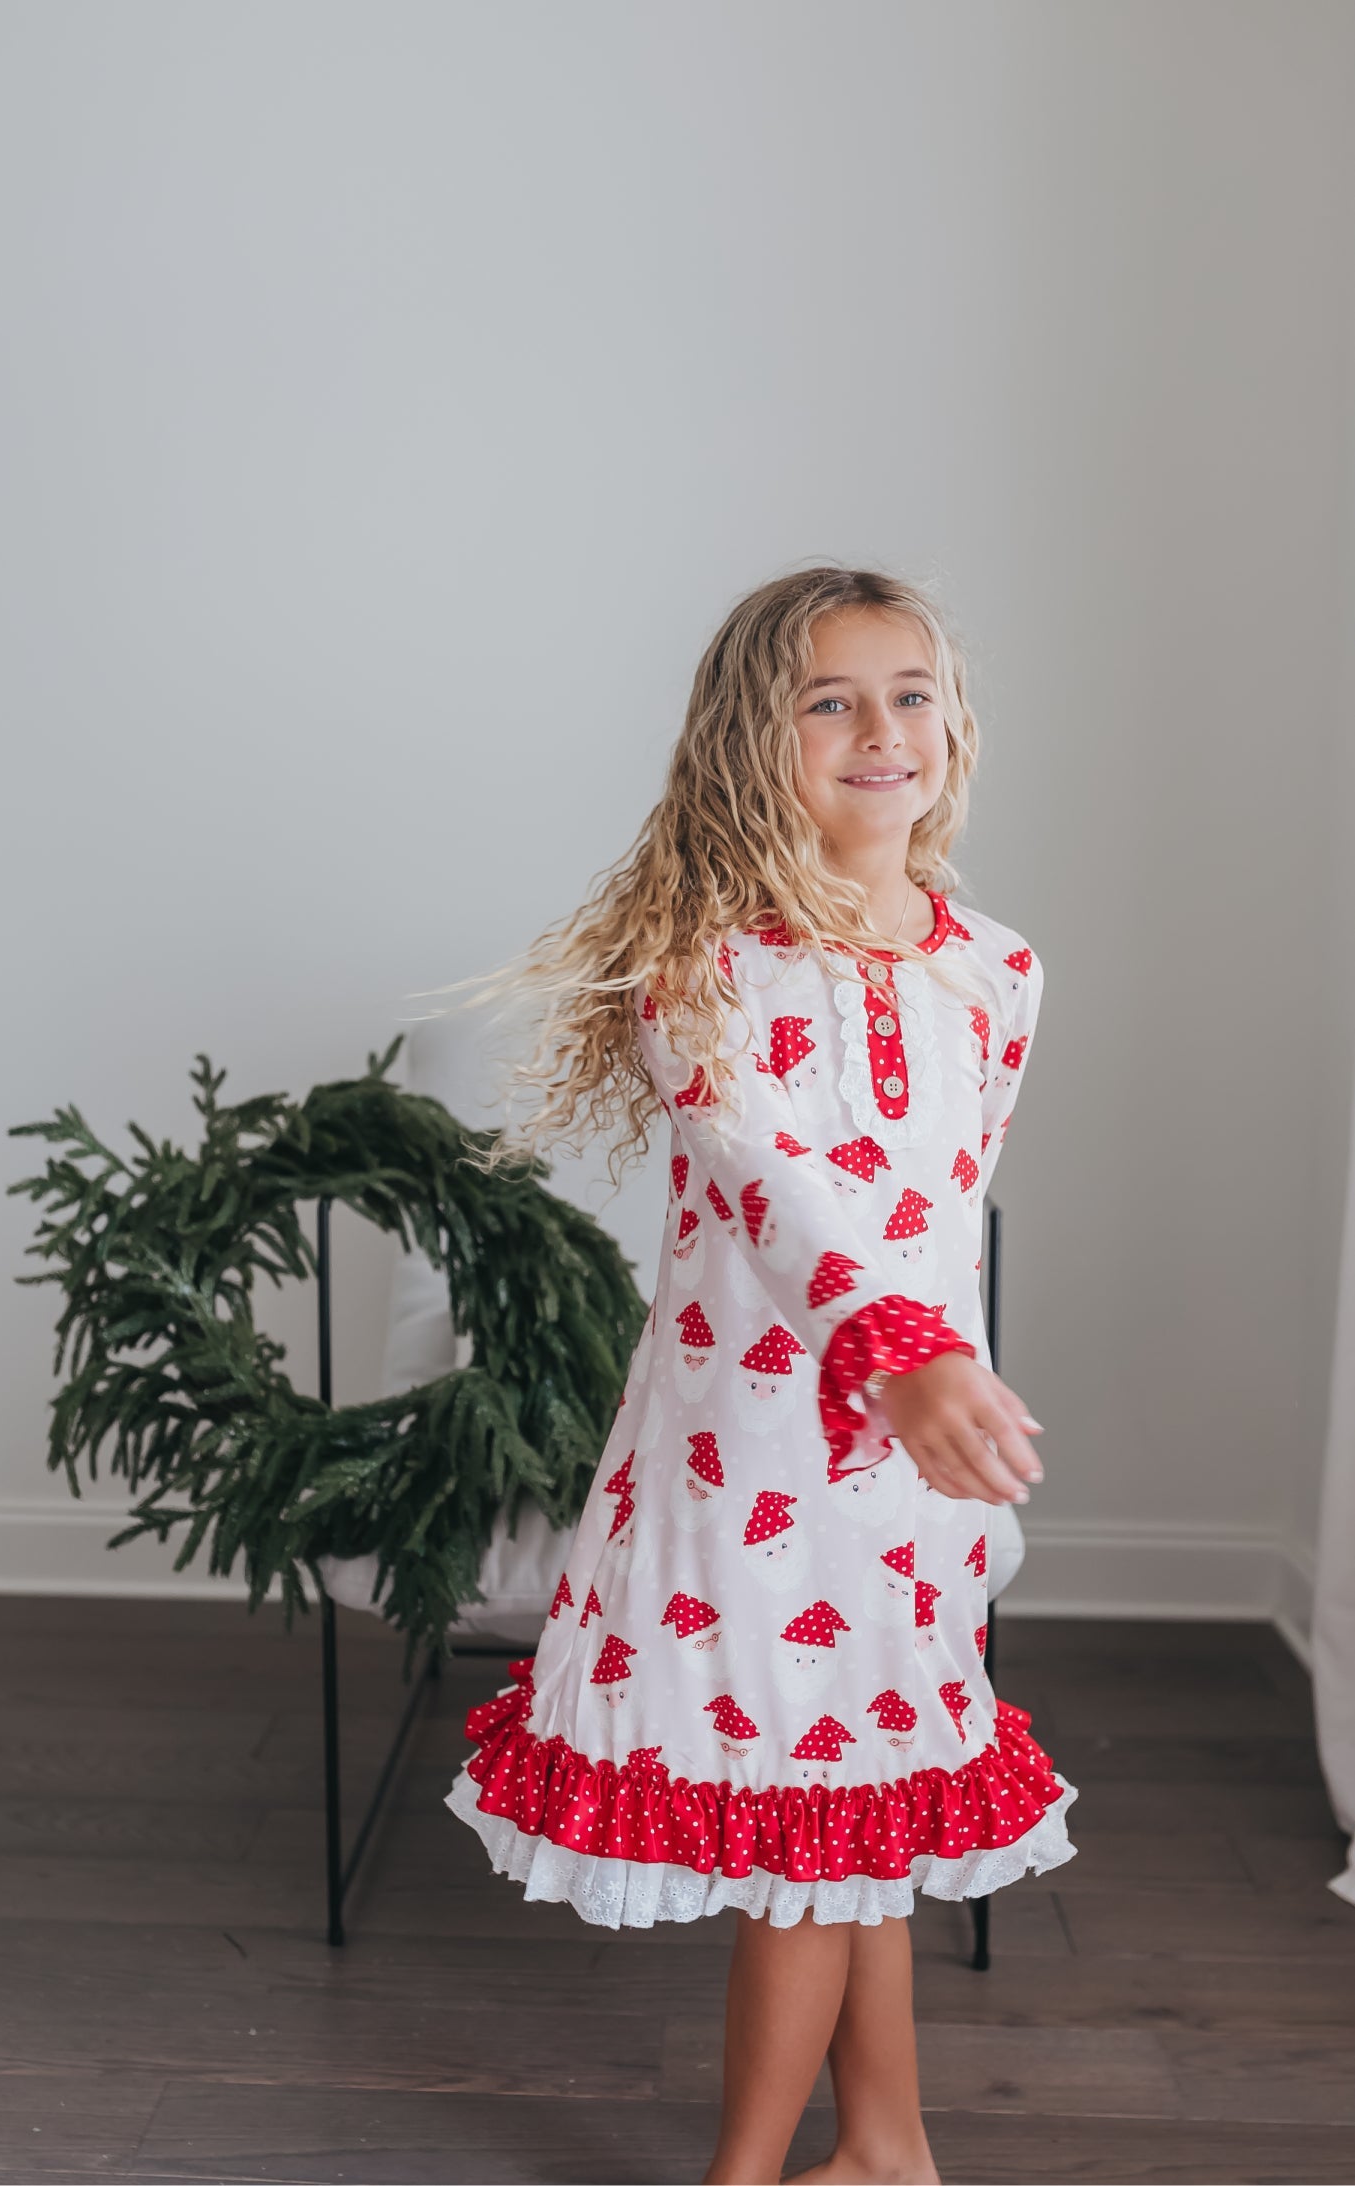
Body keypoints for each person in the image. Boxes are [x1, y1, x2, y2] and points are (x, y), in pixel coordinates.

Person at [442, 565, 1079, 2186]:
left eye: (909, 693)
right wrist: (898, 1361)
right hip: (749, 1456)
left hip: (915, 1465)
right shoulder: (702, 963)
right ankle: (781, 2167)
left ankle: (883, 2142)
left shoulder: (998, 970)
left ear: (952, 721)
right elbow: (770, 1191)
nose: (880, 730)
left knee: (859, 1801)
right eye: (829, 701)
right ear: (751, 737)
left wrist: (944, 1388)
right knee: (814, 1827)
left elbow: (942, 1219)